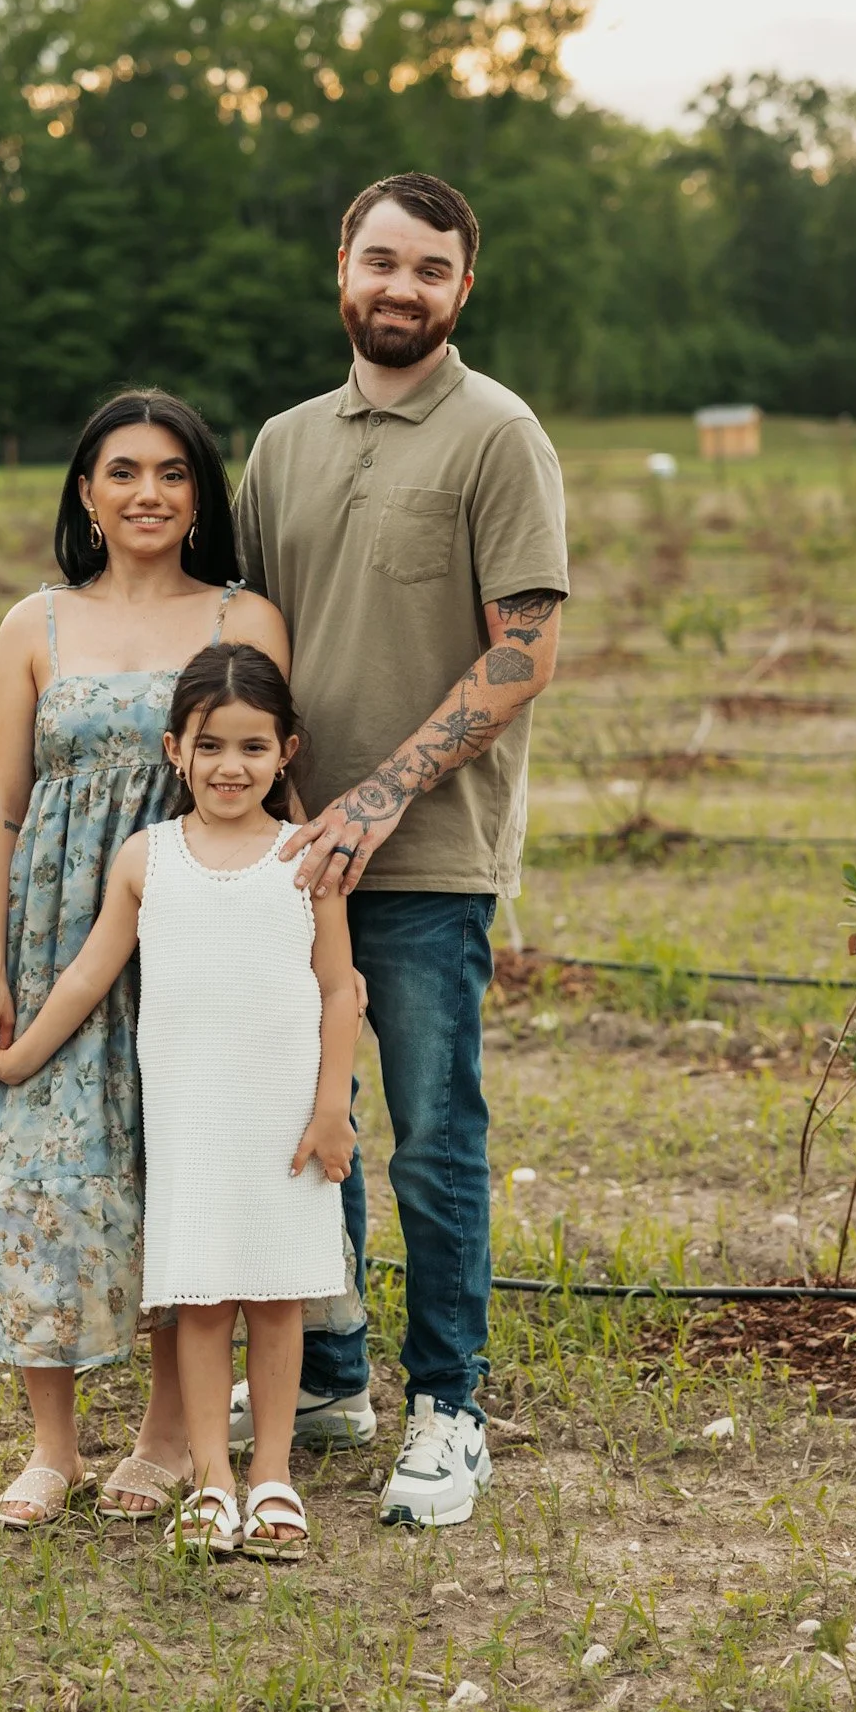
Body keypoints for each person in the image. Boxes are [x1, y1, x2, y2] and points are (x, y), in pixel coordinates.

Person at [233, 170, 568, 1527]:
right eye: (381, 261)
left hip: (426, 859)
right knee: (313, 1126)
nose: (400, 288)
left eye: (430, 271)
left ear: (461, 291)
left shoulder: (498, 434)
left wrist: (379, 796)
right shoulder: (282, 442)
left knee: (431, 1133)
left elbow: (526, 651)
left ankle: (448, 1407)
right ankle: (327, 1373)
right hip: (286, 856)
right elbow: (245, 637)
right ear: (340, 267)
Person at [0, 389, 290, 1528]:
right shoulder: (36, 624)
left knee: (181, 1167)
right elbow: (0, 812)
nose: (148, 493)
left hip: (193, 928)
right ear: (86, 490)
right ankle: (51, 1444)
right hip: (56, 933)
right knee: (45, 1172)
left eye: (174, 473)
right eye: (123, 471)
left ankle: (171, 1436)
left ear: (200, 495)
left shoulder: (246, 616)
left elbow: (272, 778)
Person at [0, 643, 358, 1557]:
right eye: (210, 746)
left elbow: (339, 988)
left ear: (286, 752)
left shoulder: (306, 858)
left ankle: (273, 1476)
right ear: (175, 750)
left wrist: (331, 1107)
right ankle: (212, 1477)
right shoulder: (150, 858)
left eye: (253, 748)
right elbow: (88, 975)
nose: (231, 767)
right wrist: (17, 1060)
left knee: (278, 1298)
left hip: (282, 1116)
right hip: (189, 1118)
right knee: (202, 1301)